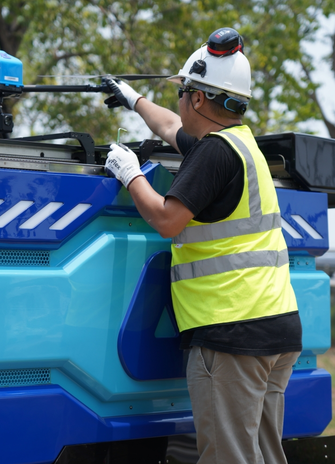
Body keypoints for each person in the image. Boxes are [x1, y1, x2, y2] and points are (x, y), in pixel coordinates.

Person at [104, 28, 303, 464]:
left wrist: (129, 173)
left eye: (183, 92)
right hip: (276, 326)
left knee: (228, 458)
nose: (179, 102)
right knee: (265, 455)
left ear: (197, 98)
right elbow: (171, 127)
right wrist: (133, 100)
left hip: (232, 333)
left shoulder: (213, 155)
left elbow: (167, 220)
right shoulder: (240, 143)